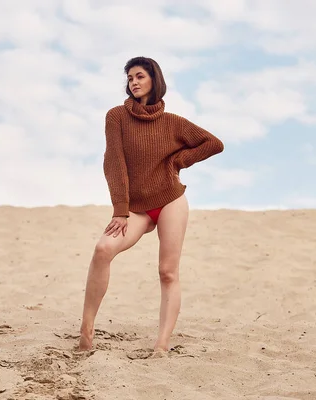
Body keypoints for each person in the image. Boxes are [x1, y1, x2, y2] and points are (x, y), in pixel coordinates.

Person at [78, 56, 224, 353]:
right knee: (103, 249)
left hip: (170, 201)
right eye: (130, 77)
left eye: (140, 76)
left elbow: (213, 143)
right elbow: (113, 163)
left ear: (154, 80)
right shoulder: (116, 116)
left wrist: (178, 160)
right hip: (136, 209)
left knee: (167, 272)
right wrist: (120, 210)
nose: (133, 81)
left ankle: (161, 345)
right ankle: (86, 332)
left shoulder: (173, 123)